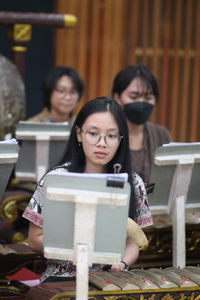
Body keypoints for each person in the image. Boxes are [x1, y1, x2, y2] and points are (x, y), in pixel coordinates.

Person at [22, 97, 152, 282]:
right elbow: (34, 240)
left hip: (109, 280)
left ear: (121, 139)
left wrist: (122, 263)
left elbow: (132, 243)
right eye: (93, 133)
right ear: (78, 134)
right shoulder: (56, 179)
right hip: (62, 277)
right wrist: (75, 249)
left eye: (112, 135)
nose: (102, 143)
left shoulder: (134, 183)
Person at [112, 64, 171, 183]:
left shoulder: (161, 134)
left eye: (148, 97)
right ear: (117, 98)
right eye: (134, 96)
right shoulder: (107, 133)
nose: (141, 102)